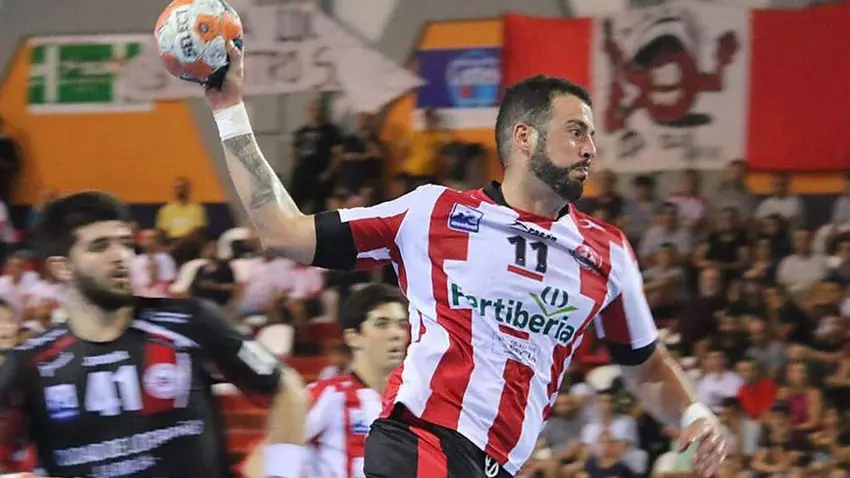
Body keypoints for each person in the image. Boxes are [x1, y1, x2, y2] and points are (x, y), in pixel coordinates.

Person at [204, 42, 727, 478]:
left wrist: (693, 412)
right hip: (421, 444)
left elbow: (645, 364)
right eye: (576, 131)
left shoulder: (607, 252)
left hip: (497, 466)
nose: (591, 148)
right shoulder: (432, 212)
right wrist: (228, 109)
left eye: (591, 134)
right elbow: (283, 230)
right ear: (524, 137)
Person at [0, 191, 308, 478]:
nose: (121, 255)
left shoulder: (190, 321)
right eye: (100, 246)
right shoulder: (31, 363)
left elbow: (286, 389)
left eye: (125, 243)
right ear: (62, 268)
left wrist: (280, 473)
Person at [242, 283, 409, 478]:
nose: (396, 334)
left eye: (401, 325)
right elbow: (258, 462)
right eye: (382, 324)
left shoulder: (414, 403)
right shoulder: (329, 395)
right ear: (353, 337)